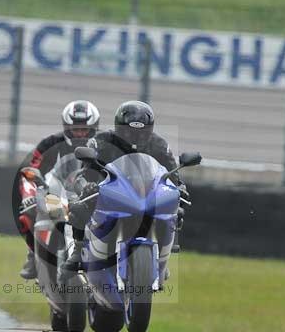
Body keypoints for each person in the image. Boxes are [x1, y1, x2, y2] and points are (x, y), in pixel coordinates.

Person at [59, 100, 189, 281]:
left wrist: (180, 187)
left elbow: (171, 173)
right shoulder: (101, 141)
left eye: (141, 132)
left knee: (177, 209)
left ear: (150, 130)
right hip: (108, 194)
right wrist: (87, 186)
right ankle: (78, 251)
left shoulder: (159, 144)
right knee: (78, 208)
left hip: (147, 195)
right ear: (118, 128)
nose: (135, 137)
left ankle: (162, 257)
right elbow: (83, 173)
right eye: (129, 131)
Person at [17, 100, 101, 279]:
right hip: (57, 196)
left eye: (84, 129)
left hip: (93, 198)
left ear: (94, 128)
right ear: (66, 127)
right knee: (28, 213)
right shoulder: (50, 144)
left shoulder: (104, 144)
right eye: (75, 129)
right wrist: (30, 195)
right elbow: (31, 170)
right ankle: (33, 254)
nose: (79, 134)